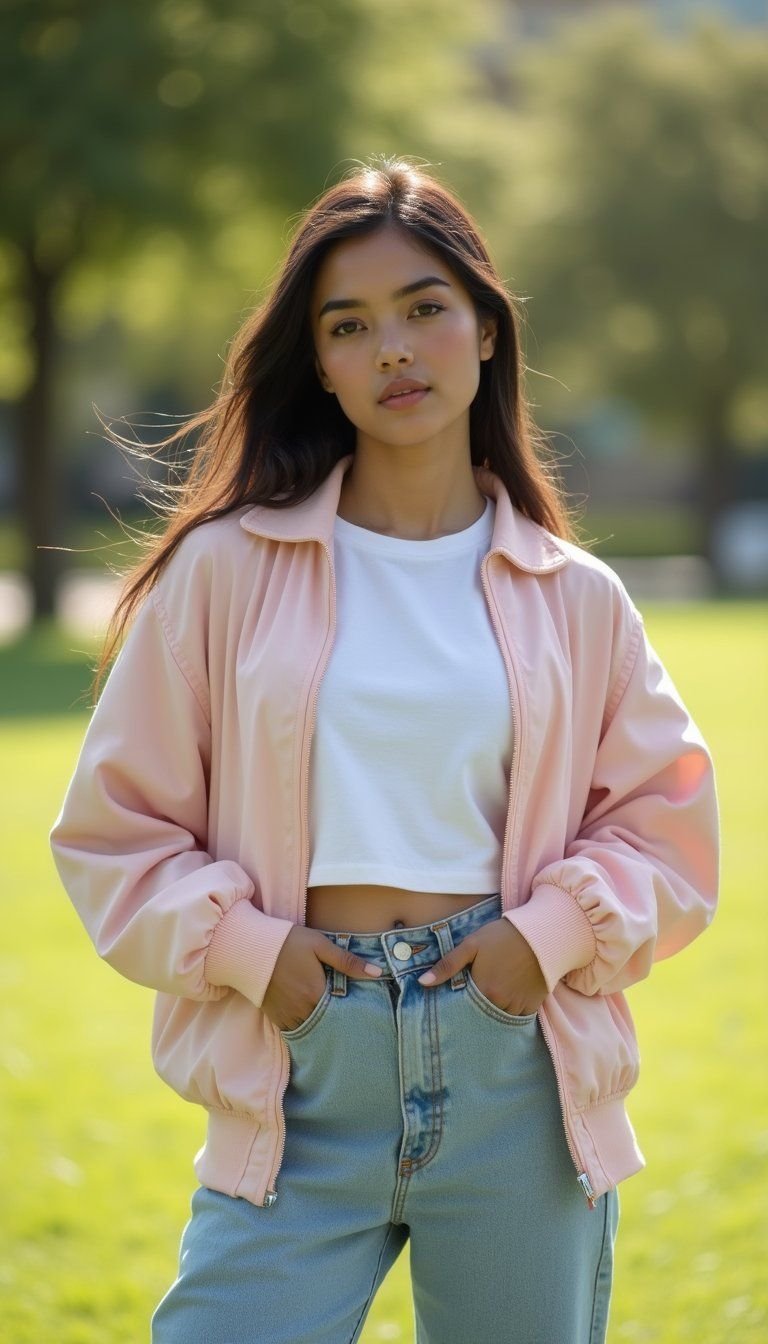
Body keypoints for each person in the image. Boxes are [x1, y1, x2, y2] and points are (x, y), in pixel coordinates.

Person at [49, 156, 719, 1344]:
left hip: (518, 1071)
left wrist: (541, 944)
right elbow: (115, 832)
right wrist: (256, 955)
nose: (393, 350)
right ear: (318, 362)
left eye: (424, 308)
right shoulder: (225, 573)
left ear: (487, 330)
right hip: (301, 1069)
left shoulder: (578, 598)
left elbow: (669, 836)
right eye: (349, 325)